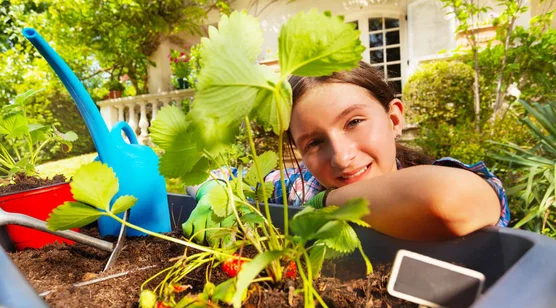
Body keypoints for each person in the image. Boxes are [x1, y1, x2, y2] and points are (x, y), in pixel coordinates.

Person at [185, 63, 509, 242]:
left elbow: (446, 201)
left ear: (394, 118)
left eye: (354, 122)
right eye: (313, 143)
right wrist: (215, 189)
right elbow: (225, 180)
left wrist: (327, 204)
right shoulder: (299, 188)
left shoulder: (451, 178)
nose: (341, 157)